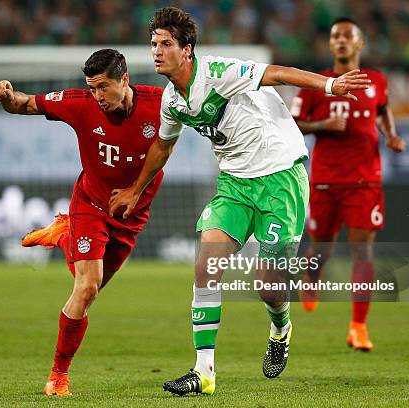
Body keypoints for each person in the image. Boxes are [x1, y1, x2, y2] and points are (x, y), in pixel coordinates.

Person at [109, 7, 370, 396]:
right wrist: (134, 189)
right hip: (235, 182)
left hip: (281, 175)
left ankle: (281, 327)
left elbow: (277, 74)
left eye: (165, 44)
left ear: (188, 50)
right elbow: (163, 146)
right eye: (153, 44)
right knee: (205, 266)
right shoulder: (171, 101)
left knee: (268, 285)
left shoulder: (218, 72)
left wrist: (330, 87)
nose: (157, 52)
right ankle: (204, 372)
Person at [0, 49, 164, 396]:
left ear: (124, 80)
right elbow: (25, 105)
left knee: (92, 287)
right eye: (92, 87)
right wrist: (8, 98)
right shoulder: (81, 104)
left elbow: (206, 108)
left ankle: (62, 235)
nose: (97, 96)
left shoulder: (162, 103)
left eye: (103, 87)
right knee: (85, 288)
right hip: (90, 205)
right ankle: (58, 376)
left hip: (131, 217)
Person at [291, 18, 406, 351]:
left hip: (365, 180)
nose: (341, 41)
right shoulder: (316, 83)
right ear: (330, 45)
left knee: (362, 252)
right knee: (321, 249)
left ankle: (358, 326)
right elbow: (295, 124)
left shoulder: (377, 81)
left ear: (360, 44)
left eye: (347, 36)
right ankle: (312, 277)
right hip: (326, 180)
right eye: (335, 36)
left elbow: (383, 111)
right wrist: (325, 123)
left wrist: (391, 135)